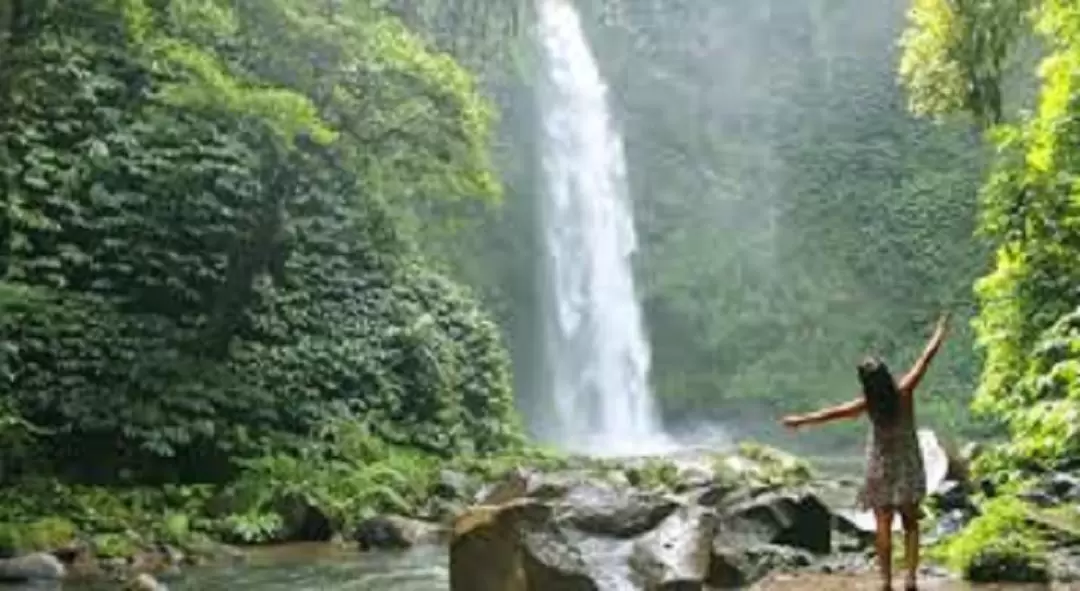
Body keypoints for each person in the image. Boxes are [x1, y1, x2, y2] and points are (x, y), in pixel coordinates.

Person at [779, 312, 951, 591]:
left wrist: (801, 420)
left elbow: (833, 414)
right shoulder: (904, 392)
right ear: (886, 376)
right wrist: (939, 333)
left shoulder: (867, 404)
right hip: (907, 464)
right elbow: (925, 360)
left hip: (880, 466)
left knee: (883, 524)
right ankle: (910, 578)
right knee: (910, 522)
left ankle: (885, 581)